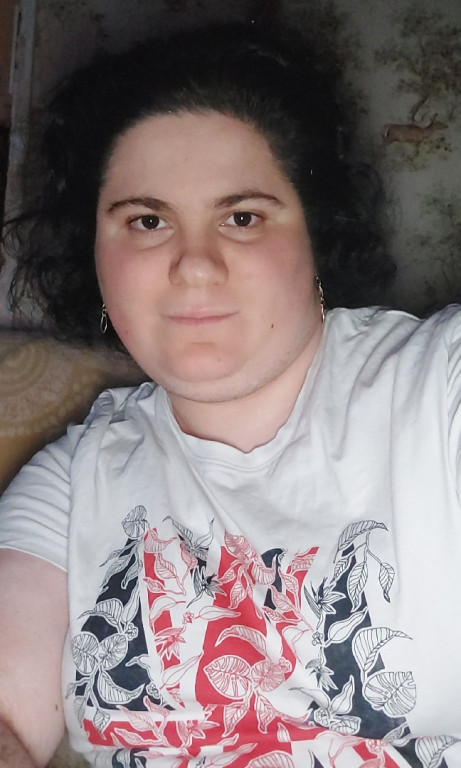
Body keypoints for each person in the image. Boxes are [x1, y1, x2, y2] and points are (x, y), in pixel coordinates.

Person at [0, 20, 460, 768]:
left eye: (241, 217)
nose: (194, 265)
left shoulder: (438, 389)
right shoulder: (73, 482)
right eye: (147, 220)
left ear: (315, 233)